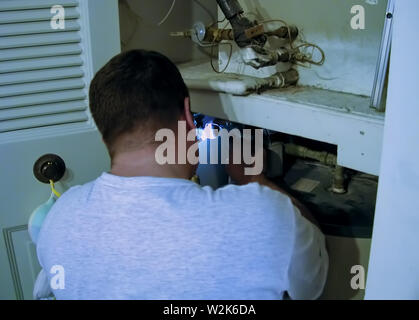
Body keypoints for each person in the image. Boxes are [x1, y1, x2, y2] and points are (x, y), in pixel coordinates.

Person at [36, 49, 328, 300]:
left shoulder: (59, 218)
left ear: (104, 137)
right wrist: (254, 180)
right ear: (189, 116)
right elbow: (313, 282)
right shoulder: (265, 215)